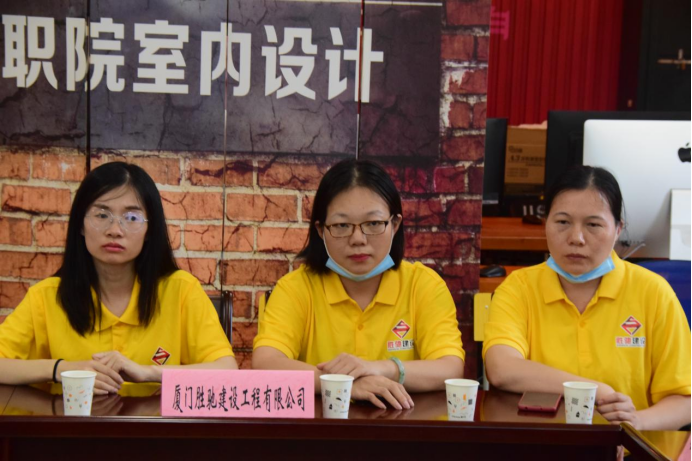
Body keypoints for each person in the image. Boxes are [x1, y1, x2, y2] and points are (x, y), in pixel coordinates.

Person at [0, 162, 237, 394]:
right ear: (80, 225)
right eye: (102, 215)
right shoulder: (46, 297)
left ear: (149, 231)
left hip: (156, 422)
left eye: (131, 218)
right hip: (72, 422)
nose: (115, 230)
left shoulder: (180, 290)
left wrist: (148, 373)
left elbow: (227, 371)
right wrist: (63, 370)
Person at [484, 166, 691, 430]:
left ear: (618, 229)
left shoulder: (653, 292)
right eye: (562, 222)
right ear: (545, 223)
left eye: (593, 225)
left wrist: (635, 423)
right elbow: (501, 368)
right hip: (544, 444)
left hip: (627, 446)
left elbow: (684, 400)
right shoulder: (519, 287)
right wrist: (595, 390)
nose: (576, 238)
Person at [252, 159, 465, 411]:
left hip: (404, 428)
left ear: (395, 225)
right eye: (341, 225)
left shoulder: (423, 285)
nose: (358, 239)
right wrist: (342, 384)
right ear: (320, 230)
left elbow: (450, 367)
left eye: (373, 224)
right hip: (319, 430)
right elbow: (265, 363)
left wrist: (381, 368)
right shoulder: (296, 288)